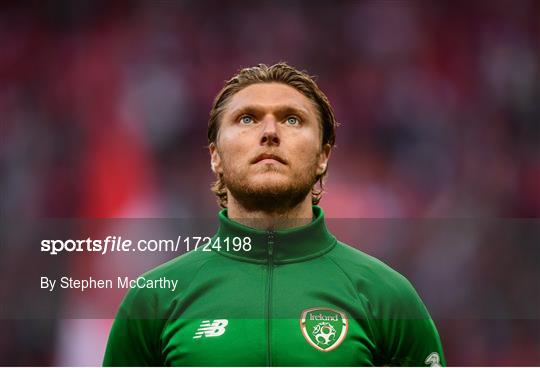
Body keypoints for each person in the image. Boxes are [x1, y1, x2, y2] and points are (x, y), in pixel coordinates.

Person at [103, 62, 446, 366]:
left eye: (292, 119)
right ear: (215, 157)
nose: (269, 133)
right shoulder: (153, 299)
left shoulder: (386, 296)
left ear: (323, 155)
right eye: (247, 118)